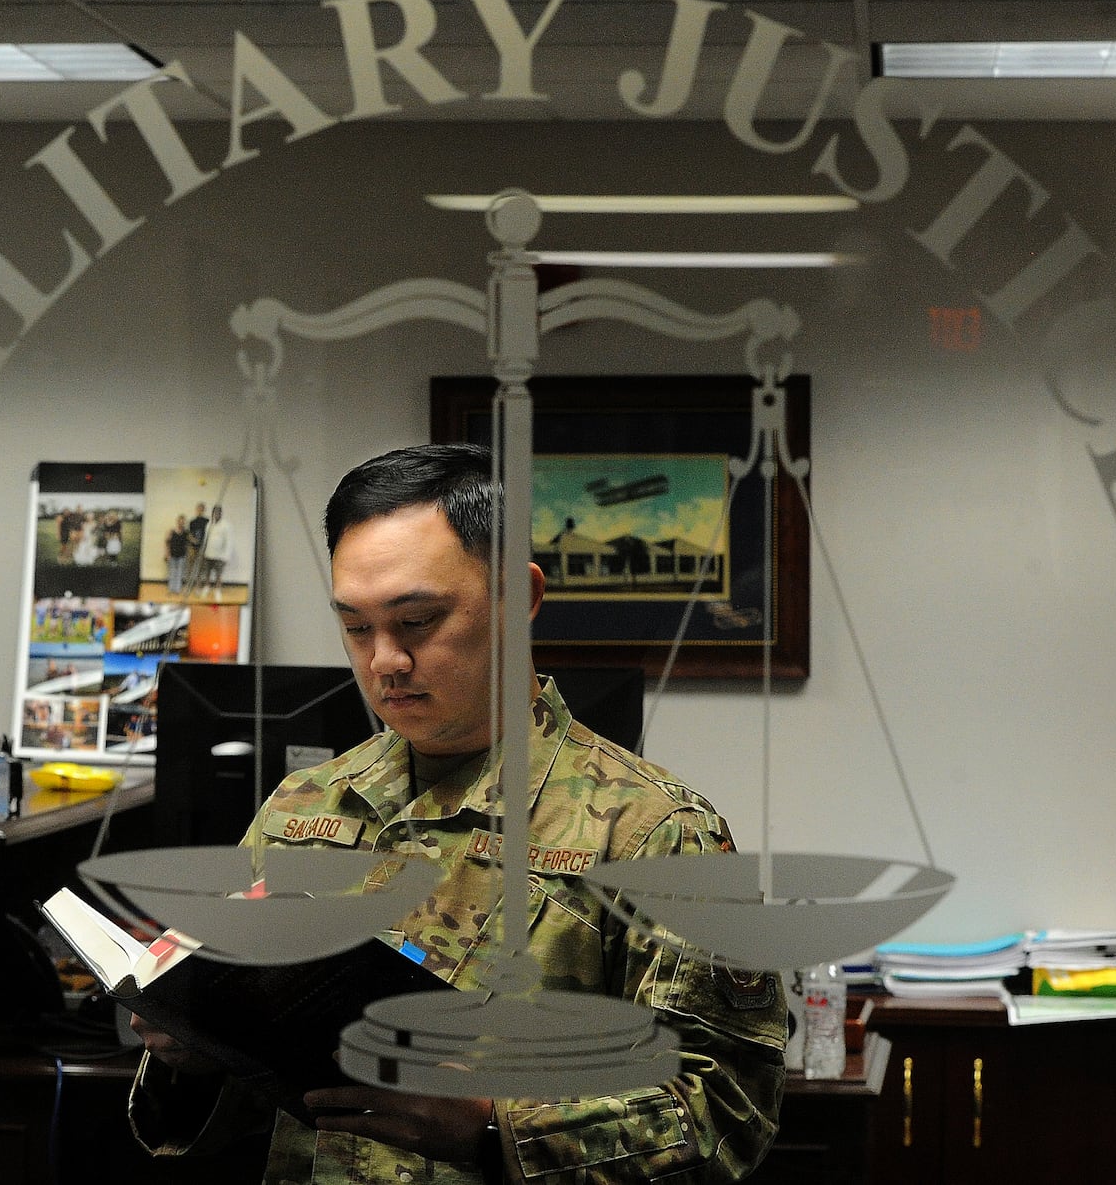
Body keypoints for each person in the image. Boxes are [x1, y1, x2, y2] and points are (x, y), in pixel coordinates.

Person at [128, 443, 786, 1184]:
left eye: (416, 621)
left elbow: (726, 1115)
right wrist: (191, 1044)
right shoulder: (301, 808)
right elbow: (254, 1105)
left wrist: (491, 1127)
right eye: (356, 626)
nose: (384, 661)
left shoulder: (657, 832)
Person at [195, 503, 235, 599]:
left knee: (218, 574)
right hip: (208, 554)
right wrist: (203, 552)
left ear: (221, 513)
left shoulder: (226, 525)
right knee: (207, 573)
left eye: (218, 512)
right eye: (214, 512)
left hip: (220, 555)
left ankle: (217, 590)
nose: (216, 514)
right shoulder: (209, 524)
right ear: (212, 513)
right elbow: (206, 539)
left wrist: (226, 556)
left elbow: (229, 541)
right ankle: (207, 588)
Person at [165, 514, 190, 595]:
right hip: (172, 555)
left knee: (179, 573)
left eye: (183, 522)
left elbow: (192, 541)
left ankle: (177, 590)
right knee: (172, 572)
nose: (181, 523)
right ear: (177, 522)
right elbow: (167, 543)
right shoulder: (171, 531)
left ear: (184, 523)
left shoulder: (186, 533)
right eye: (180, 521)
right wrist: (167, 554)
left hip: (182, 556)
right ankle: (170, 589)